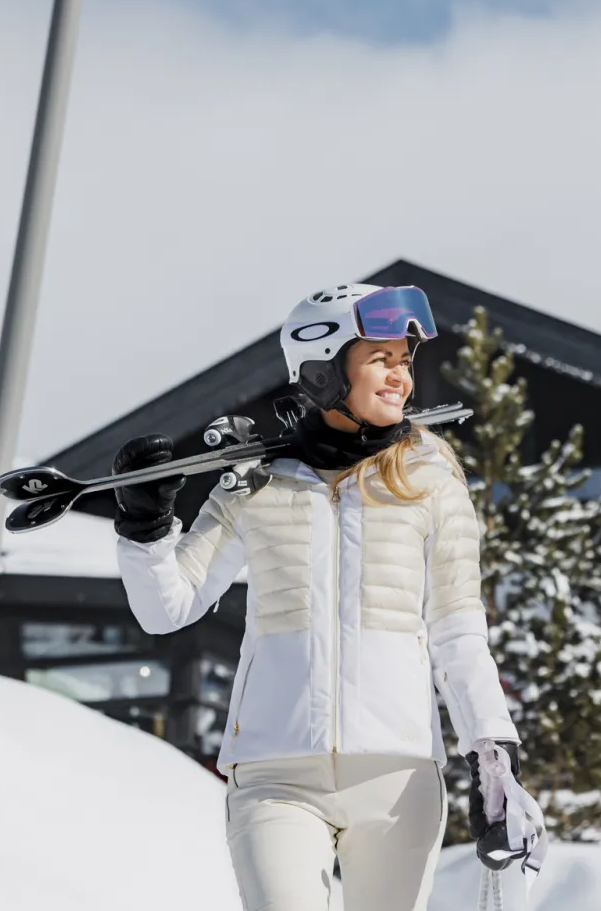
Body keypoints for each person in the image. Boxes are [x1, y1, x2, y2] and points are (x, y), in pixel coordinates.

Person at [111, 283, 538, 911]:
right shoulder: (253, 481)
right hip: (274, 772)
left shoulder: (431, 478)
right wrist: (145, 530)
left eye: (406, 362)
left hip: (396, 776)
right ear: (322, 368)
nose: (402, 378)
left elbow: (457, 632)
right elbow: (166, 608)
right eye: (382, 359)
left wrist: (492, 751)